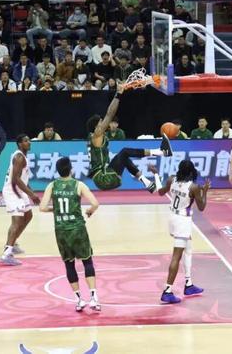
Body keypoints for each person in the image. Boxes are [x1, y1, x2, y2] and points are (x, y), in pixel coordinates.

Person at [40, 157, 101, 312]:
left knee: (69, 264)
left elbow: (42, 207)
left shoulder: (52, 185)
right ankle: (93, 298)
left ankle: (79, 300)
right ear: (71, 169)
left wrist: (55, 210)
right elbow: (95, 203)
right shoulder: (78, 185)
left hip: (61, 230)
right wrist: (90, 211)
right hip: (77, 229)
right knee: (87, 261)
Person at [86, 85, 172, 191]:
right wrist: (118, 94)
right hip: (104, 178)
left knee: (124, 157)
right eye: (100, 122)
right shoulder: (97, 134)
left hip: (103, 176)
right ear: (96, 127)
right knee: (125, 151)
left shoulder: (93, 137)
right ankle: (161, 152)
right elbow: (109, 114)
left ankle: (148, 184)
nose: (103, 122)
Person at [157, 160, 210, 304]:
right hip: (182, 221)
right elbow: (202, 207)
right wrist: (205, 191)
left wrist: (156, 175)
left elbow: (160, 192)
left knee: (188, 249)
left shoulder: (171, 179)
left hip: (173, 218)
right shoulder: (193, 187)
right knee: (176, 256)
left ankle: (189, 284)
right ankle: (167, 291)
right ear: (192, 171)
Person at [0, 134, 41, 266]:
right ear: (19, 144)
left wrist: (31, 193)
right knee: (17, 220)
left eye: (29, 140)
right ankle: (7, 253)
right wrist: (31, 195)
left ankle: (13, 243)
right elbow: (16, 179)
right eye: (25, 141)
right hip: (12, 191)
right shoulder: (19, 157)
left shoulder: (23, 157)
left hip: (19, 191)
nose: (29, 142)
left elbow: (23, 179)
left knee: (28, 216)